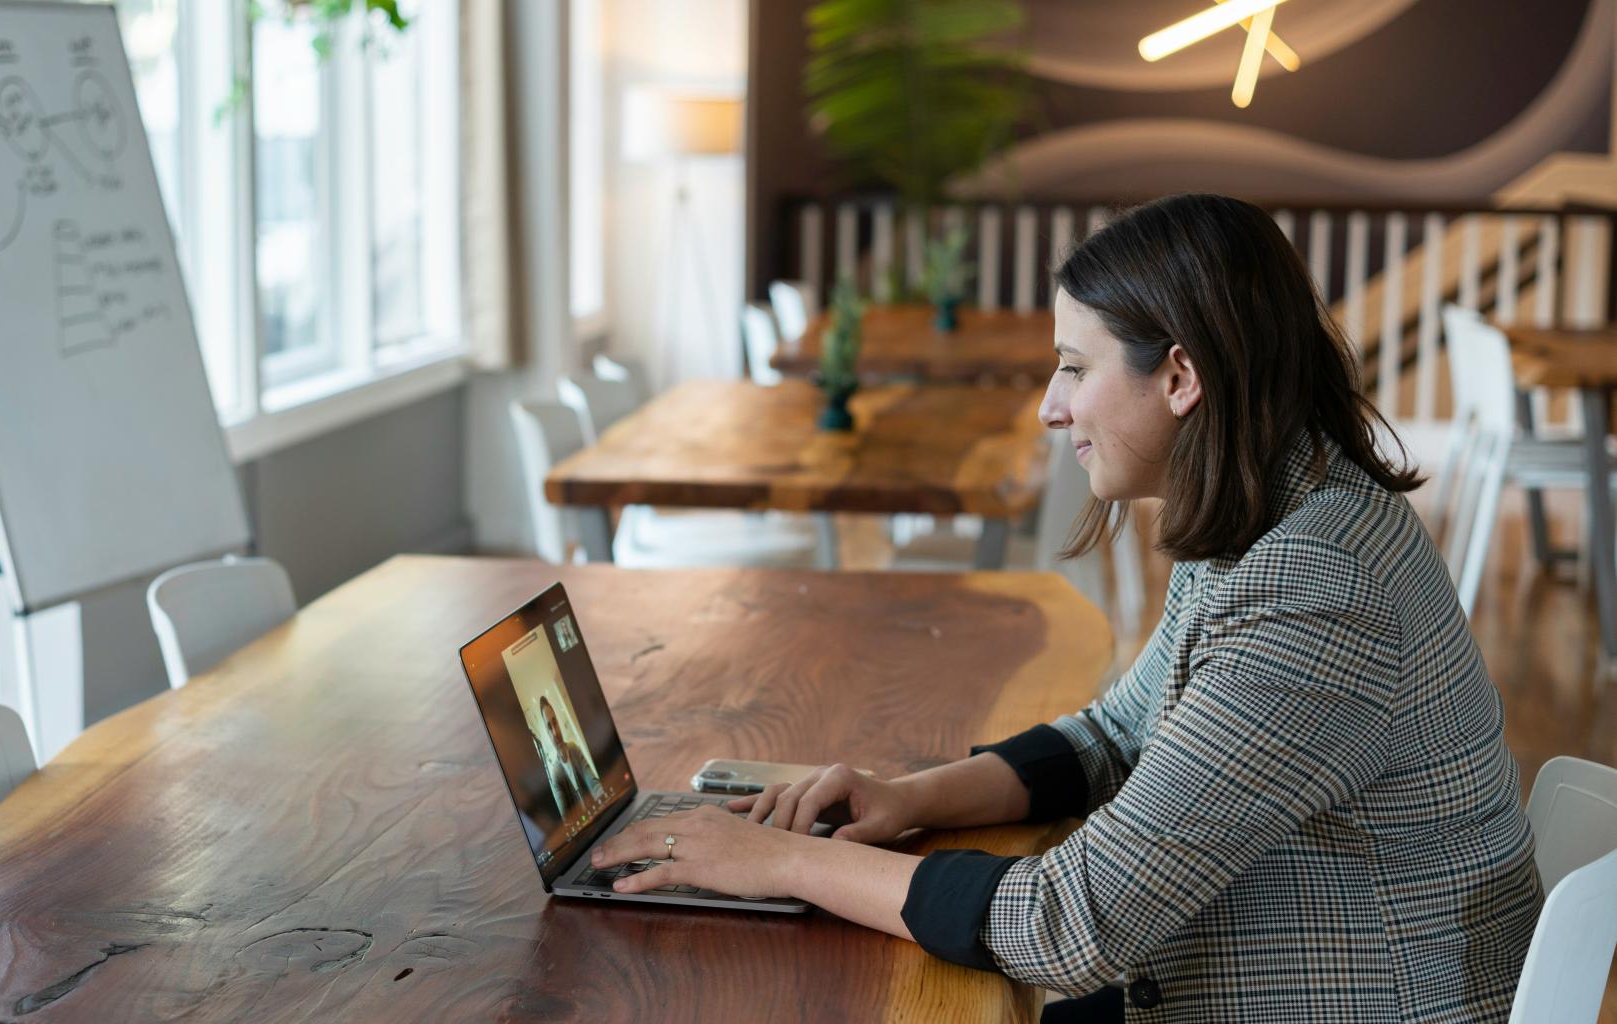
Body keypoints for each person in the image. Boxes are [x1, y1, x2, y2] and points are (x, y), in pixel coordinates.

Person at [590, 194, 1542, 1022]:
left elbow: (1069, 925)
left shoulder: (1321, 586)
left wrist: (778, 865)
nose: (1051, 406)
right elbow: (1116, 735)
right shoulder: (1275, 510)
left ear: (1179, 377)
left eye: (1075, 368)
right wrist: (908, 797)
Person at [540, 695, 603, 814]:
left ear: (559, 722)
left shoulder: (574, 749)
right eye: (549, 727)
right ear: (547, 733)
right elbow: (566, 817)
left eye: (555, 722)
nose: (555, 732)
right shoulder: (555, 775)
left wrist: (603, 796)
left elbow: (593, 782)